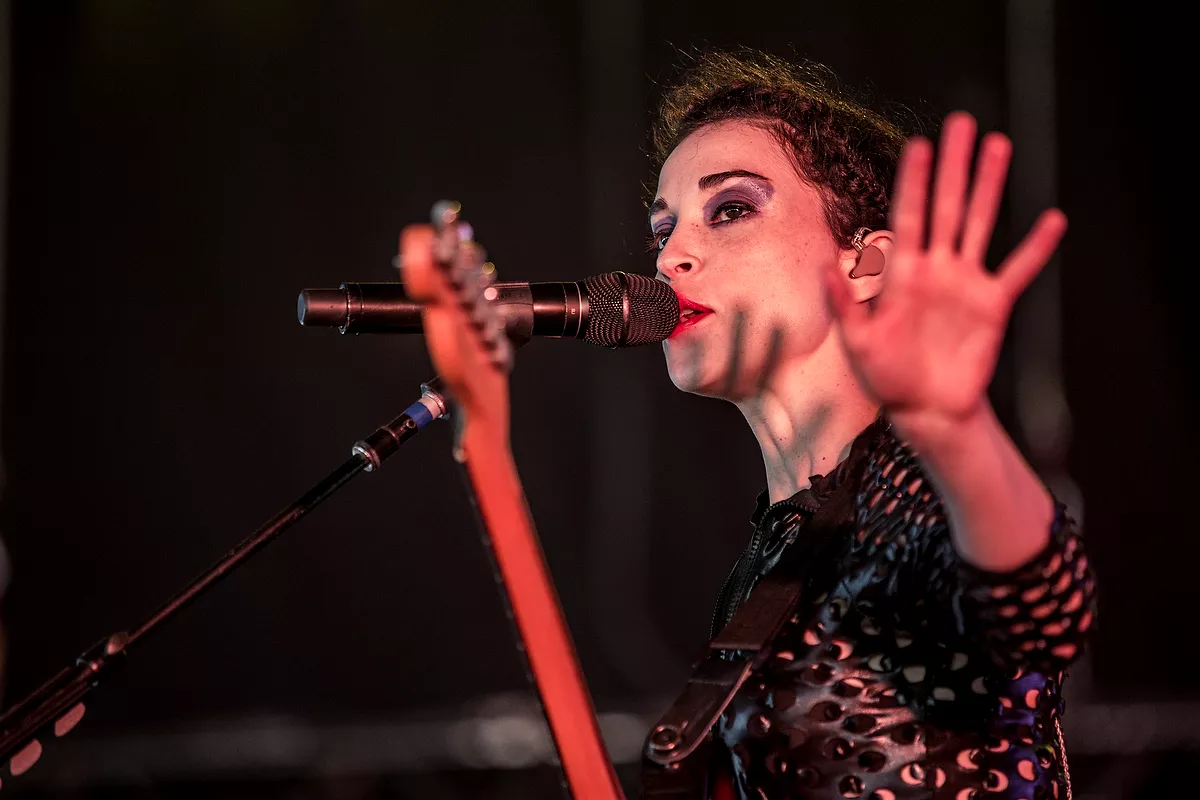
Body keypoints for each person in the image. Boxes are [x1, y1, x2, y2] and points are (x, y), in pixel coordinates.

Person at [640, 51, 1096, 800]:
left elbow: (1043, 607)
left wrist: (955, 429)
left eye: (730, 210)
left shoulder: (905, 493)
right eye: (664, 230)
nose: (671, 257)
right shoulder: (776, 547)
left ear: (863, 264)